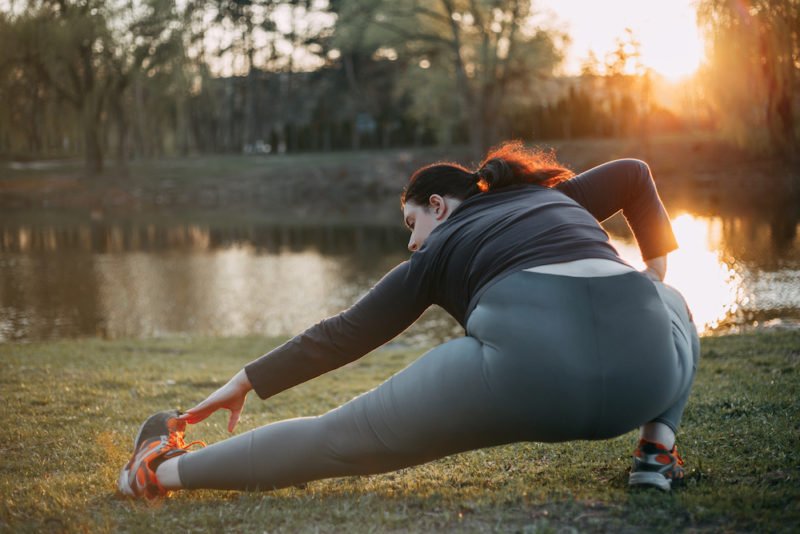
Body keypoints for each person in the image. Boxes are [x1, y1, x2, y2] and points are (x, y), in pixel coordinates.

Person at [118, 141, 700, 499]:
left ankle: (156, 473)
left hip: (530, 375)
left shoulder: (437, 252)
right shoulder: (560, 199)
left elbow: (340, 336)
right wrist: (654, 273)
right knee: (672, 303)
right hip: (647, 371)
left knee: (336, 440)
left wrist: (241, 383)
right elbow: (632, 172)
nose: (413, 243)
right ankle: (656, 452)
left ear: (439, 208)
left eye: (410, 224)